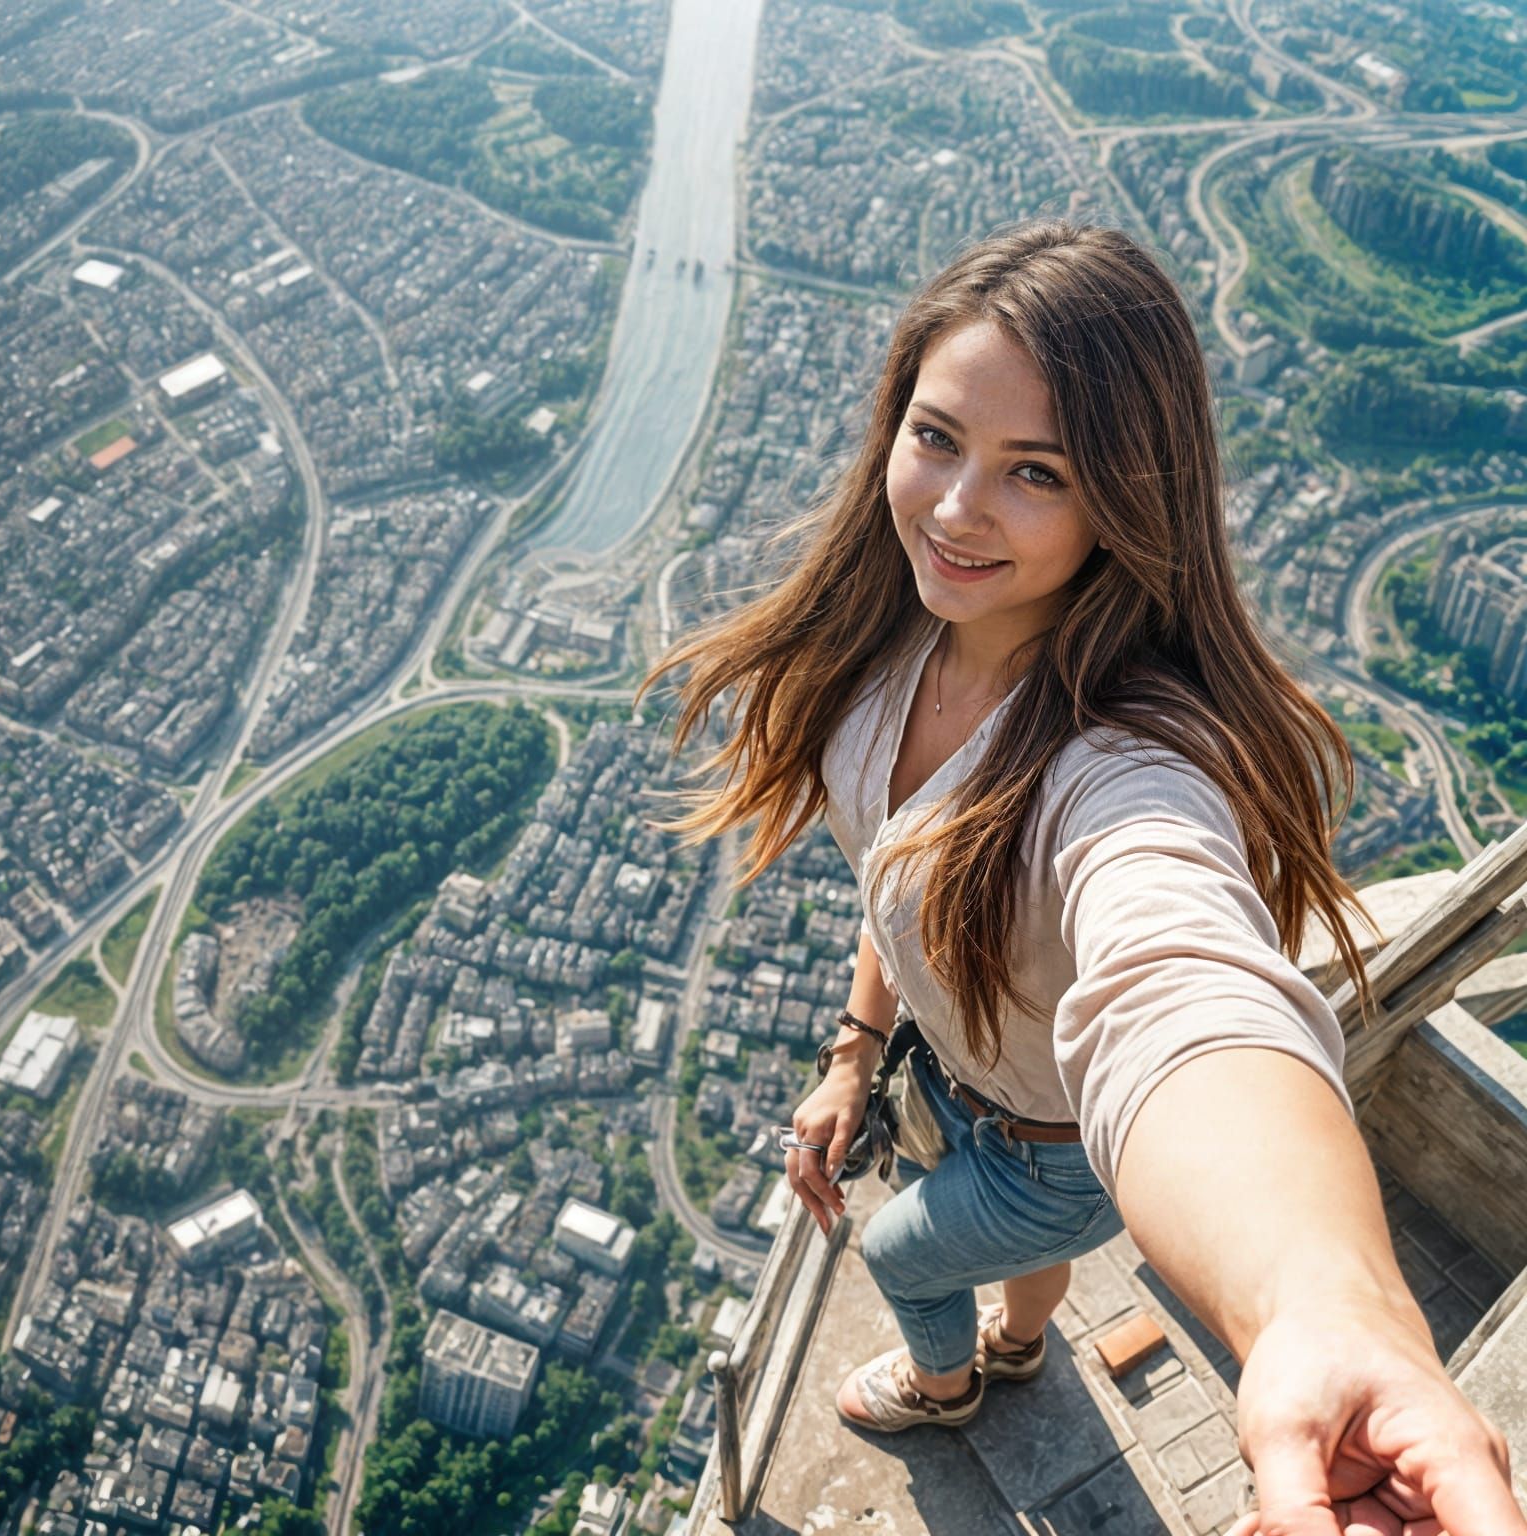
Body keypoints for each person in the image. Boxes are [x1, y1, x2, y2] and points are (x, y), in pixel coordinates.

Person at [640, 220, 1525, 1534]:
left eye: (1036, 472)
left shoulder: (1123, 763)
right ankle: (1021, 1343)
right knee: (1025, 1265)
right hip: (966, 1078)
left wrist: (1323, 1303)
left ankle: (952, 1385)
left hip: (1069, 1142)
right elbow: (909, 883)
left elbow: (1182, 988)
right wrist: (852, 1049)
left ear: (1126, 494)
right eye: (936, 437)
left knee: (896, 1252)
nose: (954, 508)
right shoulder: (896, 652)